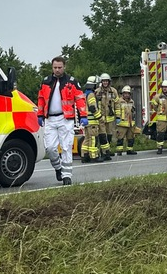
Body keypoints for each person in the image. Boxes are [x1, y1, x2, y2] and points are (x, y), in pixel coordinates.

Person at [35, 56, 87, 185]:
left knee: (66, 147)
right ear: (52, 68)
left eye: (59, 67)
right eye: (55, 67)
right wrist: (40, 115)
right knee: (50, 148)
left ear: (64, 67)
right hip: (50, 119)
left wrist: (83, 115)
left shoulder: (72, 82)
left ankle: (67, 176)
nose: (57, 70)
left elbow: (80, 99)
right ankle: (58, 168)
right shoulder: (46, 81)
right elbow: (41, 99)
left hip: (66, 119)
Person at [81, 75, 107, 163]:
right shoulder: (91, 94)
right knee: (93, 139)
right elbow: (92, 108)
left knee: (87, 139)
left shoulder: (86, 93)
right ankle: (94, 157)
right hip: (92, 121)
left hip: (87, 121)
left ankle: (84, 156)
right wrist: (99, 117)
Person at [98, 73, 119, 159]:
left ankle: (108, 150)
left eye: (106, 81)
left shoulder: (113, 91)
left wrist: (118, 116)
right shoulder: (98, 91)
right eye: (104, 81)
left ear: (109, 82)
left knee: (109, 135)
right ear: (101, 82)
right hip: (101, 118)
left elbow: (117, 104)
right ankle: (103, 152)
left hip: (110, 118)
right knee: (103, 135)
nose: (105, 83)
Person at [114, 85, 138, 154]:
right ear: (122, 94)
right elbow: (117, 110)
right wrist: (118, 118)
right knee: (120, 137)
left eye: (128, 93)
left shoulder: (131, 102)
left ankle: (129, 150)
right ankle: (119, 150)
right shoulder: (119, 101)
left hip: (130, 123)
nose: (126, 95)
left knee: (131, 137)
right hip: (122, 123)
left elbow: (133, 111)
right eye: (125, 93)